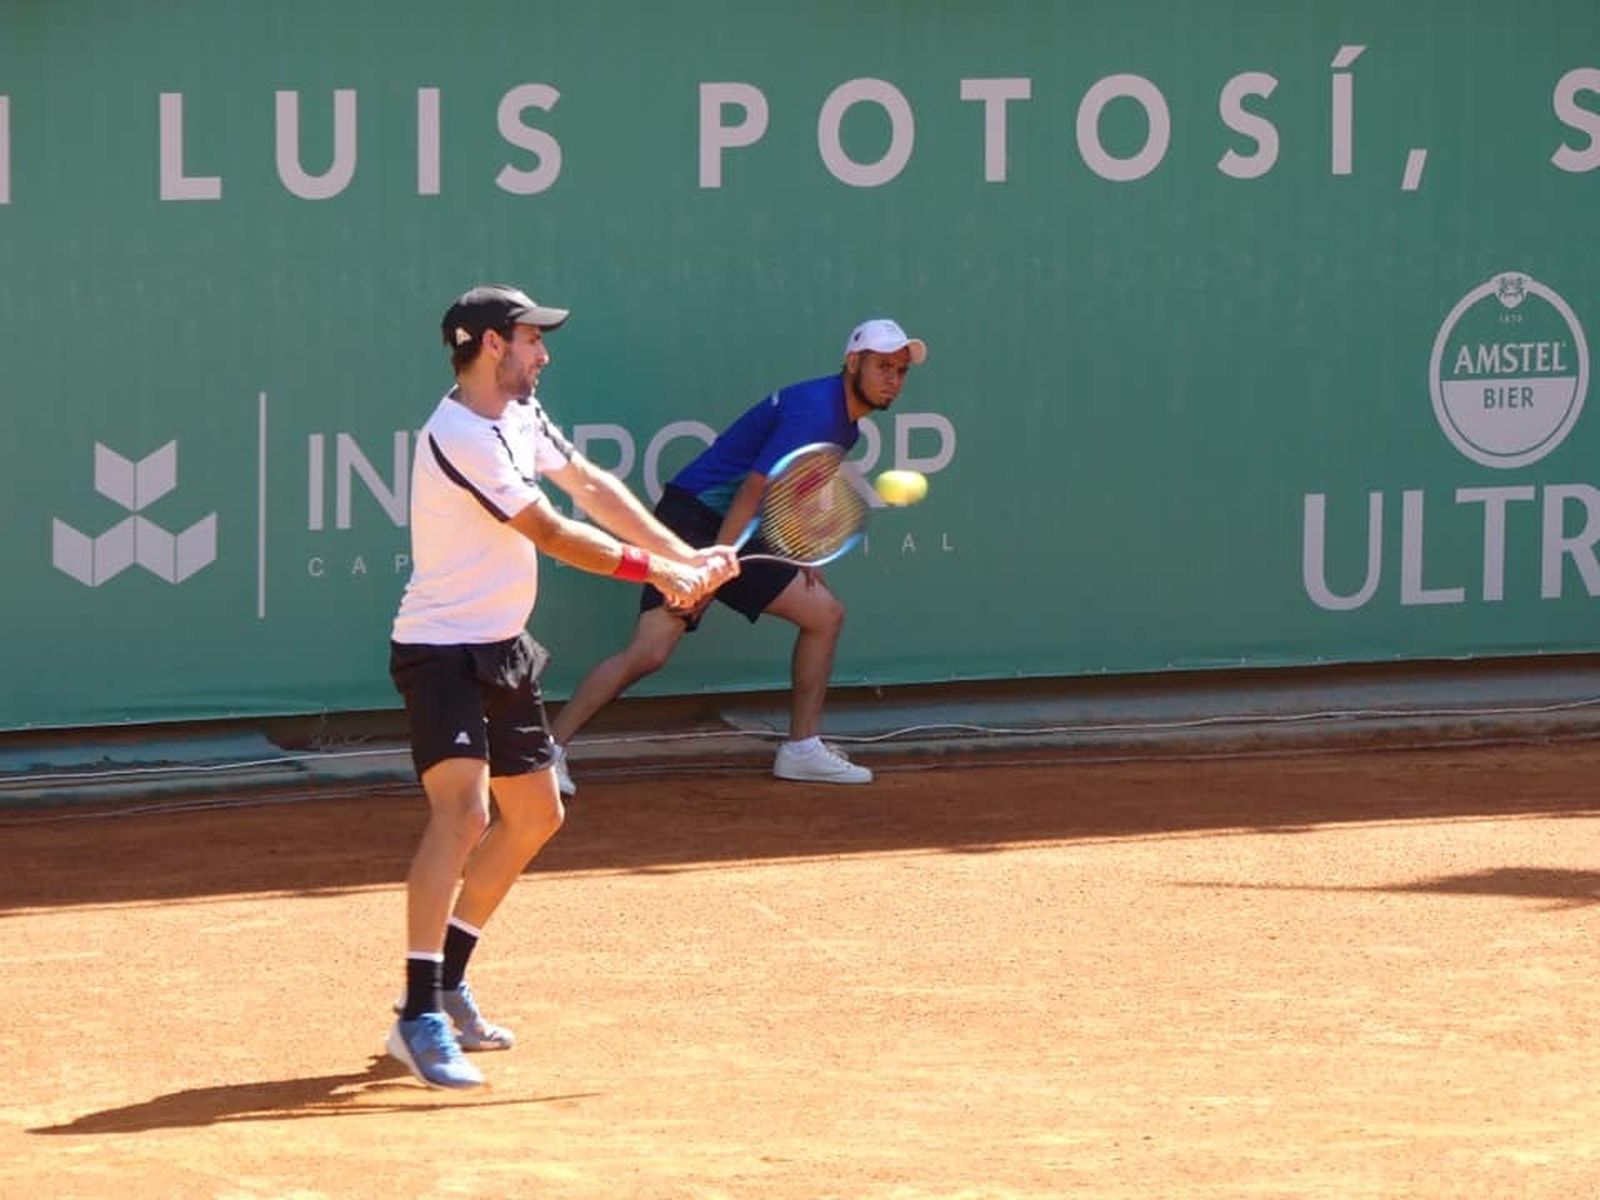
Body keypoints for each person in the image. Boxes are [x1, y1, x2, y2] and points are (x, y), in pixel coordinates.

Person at [386, 284, 738, 1089]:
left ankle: (449, 977)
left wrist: (681, 555)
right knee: (465, 812)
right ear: (485, 345)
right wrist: (666, 571)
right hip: (440, 651)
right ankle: (416, 1014)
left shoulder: (520, 415)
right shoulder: (461, 434)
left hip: (502, 648)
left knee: (536, 814)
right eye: (529, 339)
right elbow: (549, 530)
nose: (543, 353)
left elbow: (589, 487)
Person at [549, 317, 928, 793]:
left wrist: (801, 553)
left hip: (738, 526)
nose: (893, 378)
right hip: (692, 519)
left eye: (900, 370)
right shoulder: (816, 410)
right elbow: (753, 490)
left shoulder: (846, 425)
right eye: (882, 366)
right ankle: (548, 752)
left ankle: (801, 749)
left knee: (824, 614)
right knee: (650, 653)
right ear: (854, 362)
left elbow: (791, 490)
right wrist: (712, 566)